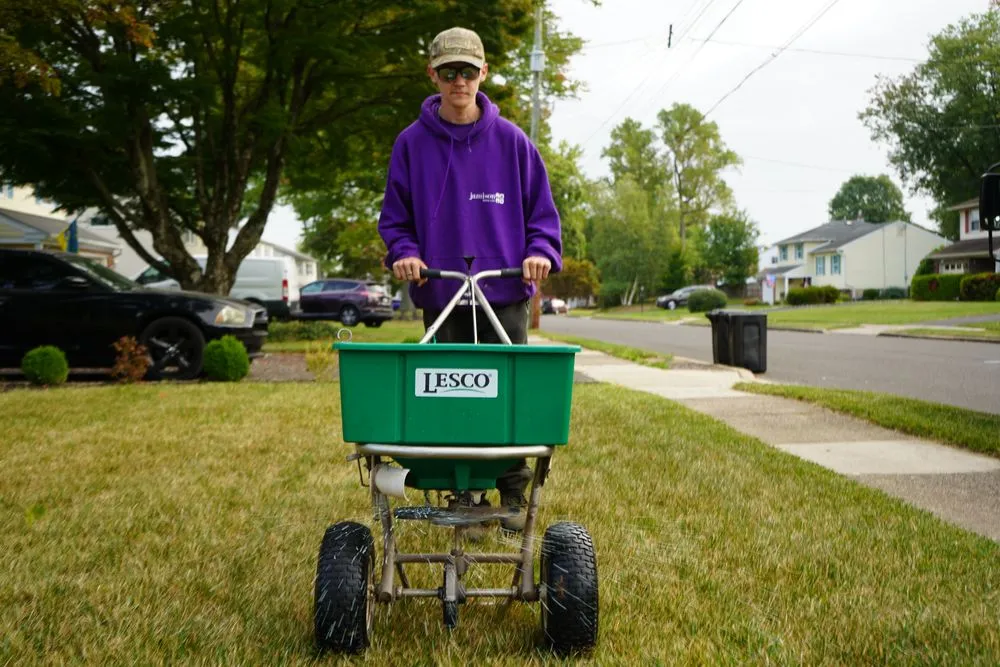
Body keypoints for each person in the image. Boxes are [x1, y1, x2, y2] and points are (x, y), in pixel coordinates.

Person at [377, 26, 562, 532]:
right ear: (432, 75)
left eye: (467, 71)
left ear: (483, 73)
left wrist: (540, 254)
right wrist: (406, 254)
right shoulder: (411, 145)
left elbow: (543, 218)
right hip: (441, 291)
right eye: (448, 71)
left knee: (506, 395)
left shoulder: (514, 144)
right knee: (449, 393)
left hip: (502, 291)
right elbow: (395, 220)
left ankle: (512, 498)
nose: (458, 81)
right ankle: (462, 492)